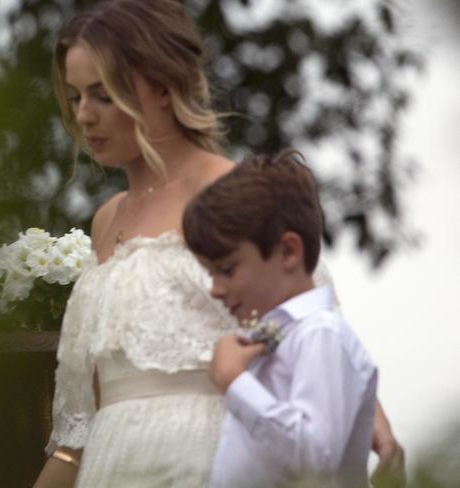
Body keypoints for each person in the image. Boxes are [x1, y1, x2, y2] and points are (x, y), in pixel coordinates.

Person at [33, 1, 403, 487]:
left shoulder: (232, 193)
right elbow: (78, 430)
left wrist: (366, 412)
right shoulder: (105, 221)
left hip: (209, 458)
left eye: (103, 95)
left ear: (162, 88)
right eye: (76, 96)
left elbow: (310, 317)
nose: (84, 115)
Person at [183, 150, 377, 487]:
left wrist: (235, 383)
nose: (214, 289)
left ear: (288, 251)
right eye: (210, 273)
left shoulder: (321, 334)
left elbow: (317, 460)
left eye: (226, 270)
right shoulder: (266, 338)